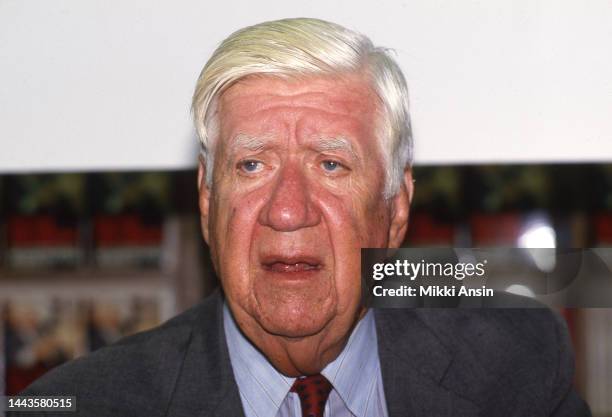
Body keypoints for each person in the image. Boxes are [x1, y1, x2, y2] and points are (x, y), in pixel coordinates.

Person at [16, 18, 590, 417]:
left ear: (395, 207)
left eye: (332, 164)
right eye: (251, 163)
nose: (288, 210)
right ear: (207, 199)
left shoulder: (514, 369)